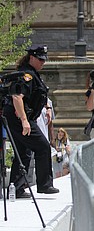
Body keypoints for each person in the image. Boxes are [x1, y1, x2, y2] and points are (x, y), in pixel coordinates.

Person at [3, 44, 59, 198]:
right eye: (40, 59)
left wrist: (47, 107)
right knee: (42, 147)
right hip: (20, 118)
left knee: (23, 151)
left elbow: (38, 95)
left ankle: (17, 187)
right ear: (32, 58)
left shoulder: (32, 74)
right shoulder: (26, 75)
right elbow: (17, 97)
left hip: (22, 117)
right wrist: (24, 121)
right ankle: (45, 184)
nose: (43, 62)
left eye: (44, 60)